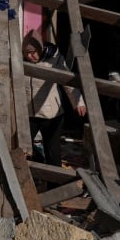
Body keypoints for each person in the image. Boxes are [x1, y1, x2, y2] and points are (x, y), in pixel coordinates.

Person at [22, 31, 86, 166]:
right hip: (28, 113)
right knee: (22, 146)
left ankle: (54, 185)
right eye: (26, 53)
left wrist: (78, 102)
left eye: (33, 52)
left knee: (52, 151)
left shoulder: (55, 59)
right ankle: (38, 165)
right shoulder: (20, 61)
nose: (29, 56)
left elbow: (67, 82)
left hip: (52, 114)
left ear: (41, 49)